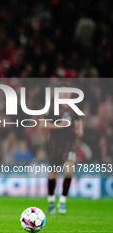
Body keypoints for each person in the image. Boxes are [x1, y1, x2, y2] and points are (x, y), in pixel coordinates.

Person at [40, 83, 83, 214]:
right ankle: (51, 200)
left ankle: (63, 201)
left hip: (69, 143)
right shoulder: (52, 108)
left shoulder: (74, 108)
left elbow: (78, 120)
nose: (65, 94)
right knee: (53, 173)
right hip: (55, 144)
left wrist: (80, 129)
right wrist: (57, 126)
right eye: (62, 92)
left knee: (69, 170)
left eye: (67, 92)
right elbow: (42, 124)